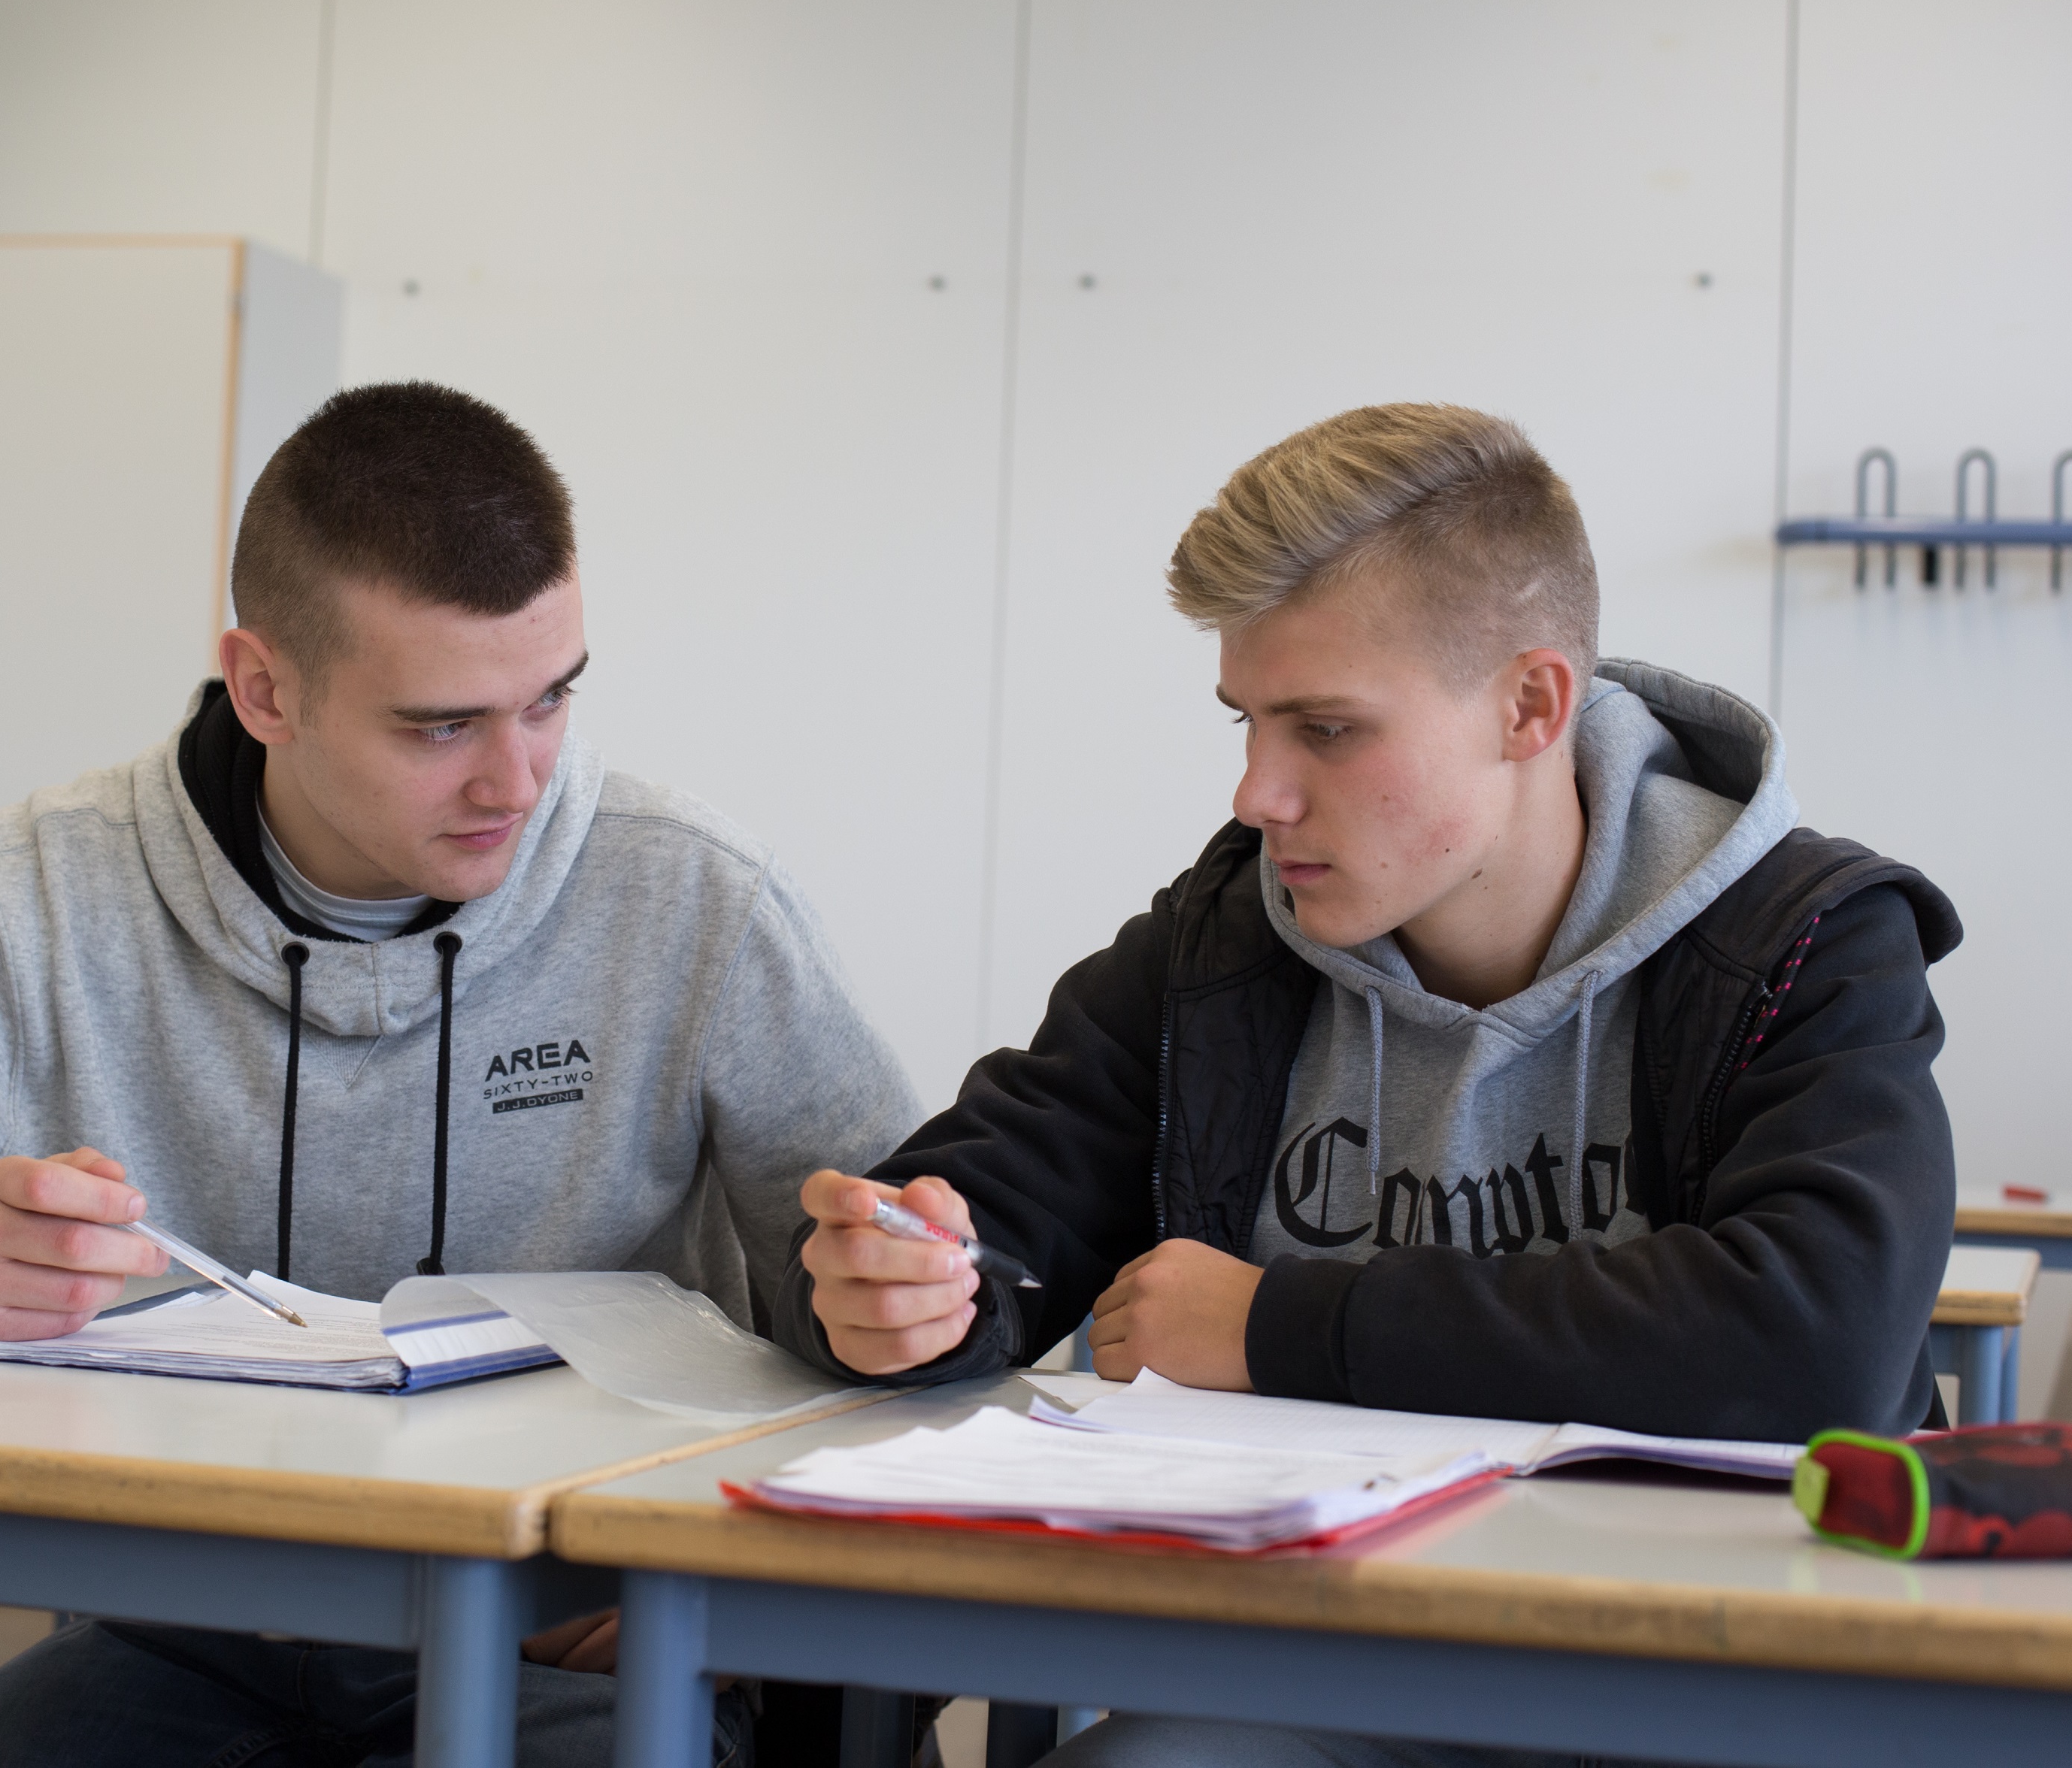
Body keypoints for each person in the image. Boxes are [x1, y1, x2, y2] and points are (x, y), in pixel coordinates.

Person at [0, 380, 919, 1768]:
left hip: (570, 1635)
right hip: (192, 1626)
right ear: (265, 688)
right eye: (442, 725)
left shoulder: (693, 896)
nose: (519, 782)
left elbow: (922, 1310)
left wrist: (725, 1555)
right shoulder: (42, 892)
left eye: (550, 700)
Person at [775, 403, 1959, 1768]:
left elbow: (1814, 1334)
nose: (1257, 793)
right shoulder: (1229, 942)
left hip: (1720, 1677)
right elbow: (989, 1205)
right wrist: (899, 1292)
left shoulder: (1803, 938)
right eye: (1247, 722)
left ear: (1530, 706)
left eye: (1327, 729)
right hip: (1325, 1672)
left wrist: (1278, 1326)